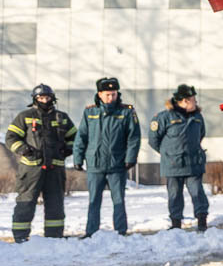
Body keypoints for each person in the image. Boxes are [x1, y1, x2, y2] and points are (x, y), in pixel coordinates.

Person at [4, 84, 77, 242]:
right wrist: (23, 149)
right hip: (31, 170)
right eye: (41, 98)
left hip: (55, 168)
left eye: (47, 97)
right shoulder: (25, 116)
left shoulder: (62, 118)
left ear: (52, 98)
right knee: (26, 202)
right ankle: (20, 238)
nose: (44, 100)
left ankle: (54, 238)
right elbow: (10, 138)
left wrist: (68, 149)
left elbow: (75, 138)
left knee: (55, 204)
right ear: (35, 99)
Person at [73, 77, 141, 238]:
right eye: (108, 94)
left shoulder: (126, 112)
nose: (111, 98)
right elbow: (81, 136)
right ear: (100, 94)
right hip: (95, 164)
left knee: (118, 200)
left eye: (114, 94)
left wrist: (130, 158)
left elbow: (134, 137)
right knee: (94, 200)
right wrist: (78, 158)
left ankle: (121, 231)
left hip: (117, 164)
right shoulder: (90, 112)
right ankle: (91, 232)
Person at [148, 84, 209, 231]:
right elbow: (153, 140)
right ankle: (176, 224)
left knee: (197, 192)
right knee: (174, 195)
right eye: (194, 99)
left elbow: (201, 134)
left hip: (193, 163)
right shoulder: (164, 117)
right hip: (173, 164)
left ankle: (202, 221)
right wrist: (168, 153)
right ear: (184, 101)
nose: (196, 102)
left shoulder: (197, 117)